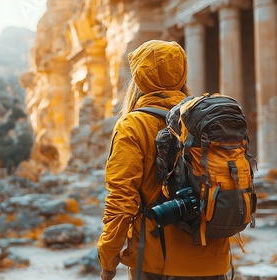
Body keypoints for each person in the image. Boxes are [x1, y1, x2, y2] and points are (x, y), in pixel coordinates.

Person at [97, 40, 230, 280]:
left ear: (140, 78)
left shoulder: (133, 125)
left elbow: (120, 201)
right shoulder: (205, 119)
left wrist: (108, 261)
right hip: (214, 260)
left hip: (159, 264)